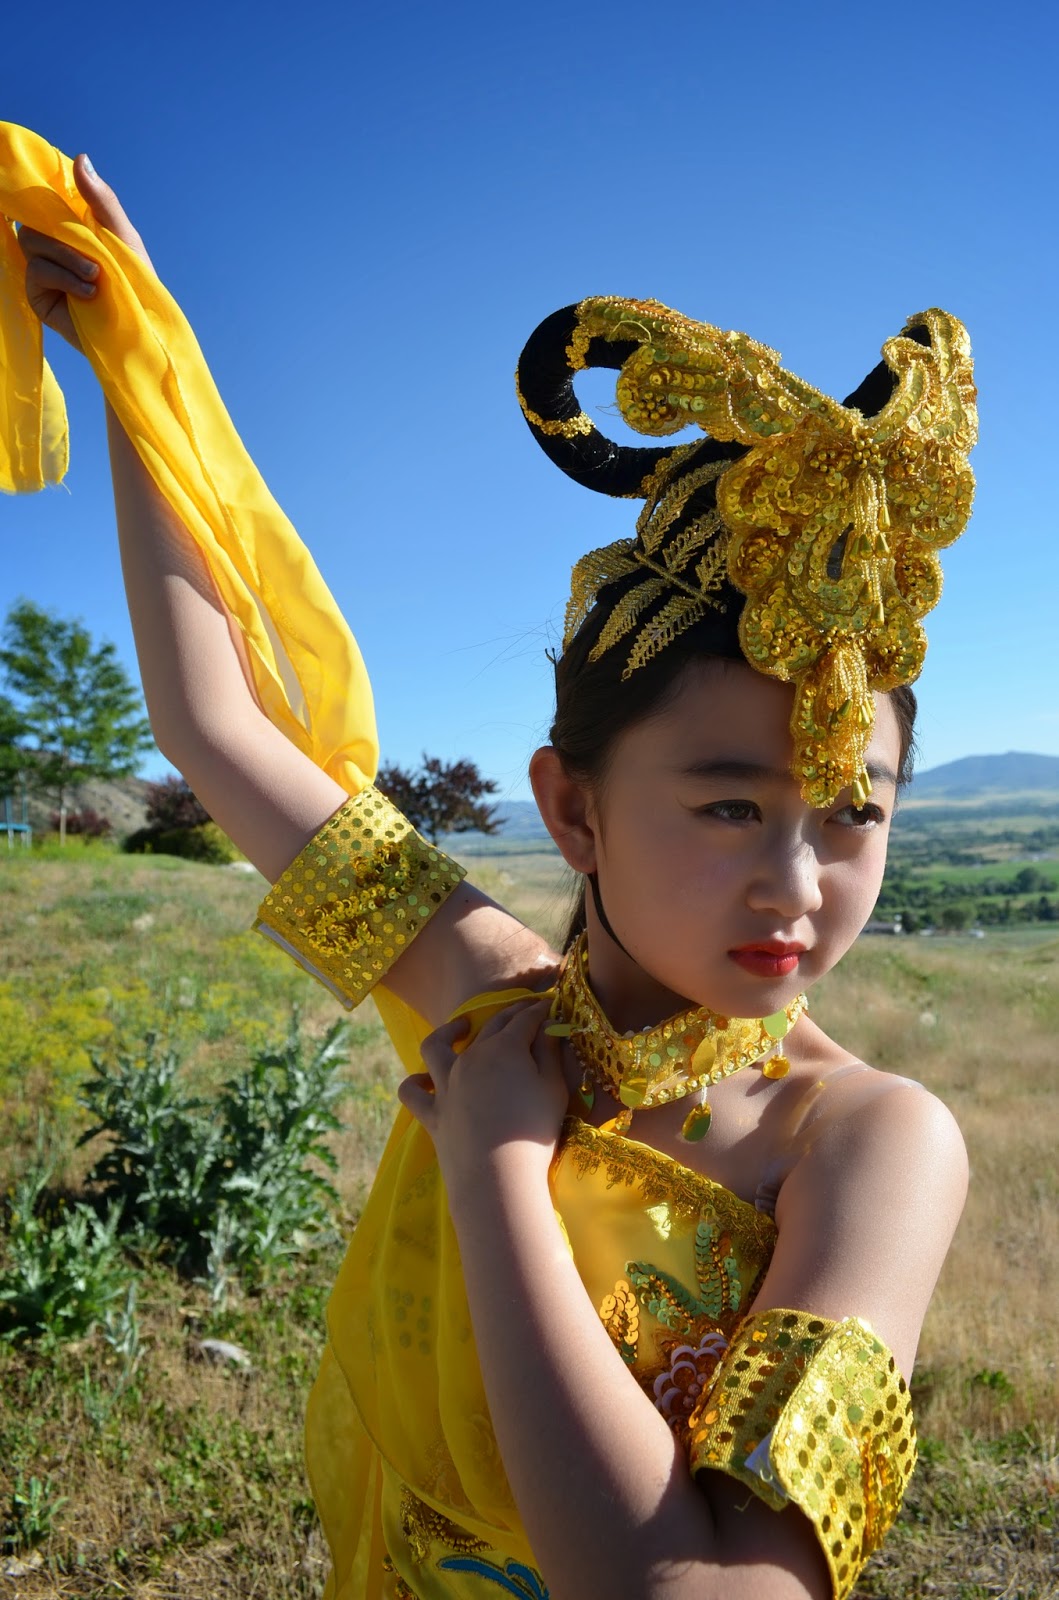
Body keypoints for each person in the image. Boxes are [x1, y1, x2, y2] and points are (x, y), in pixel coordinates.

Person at [1, 126, 974, 1600]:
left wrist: (499, 1170)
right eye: (729, 808)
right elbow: (216, 724)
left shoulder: (865, 1146)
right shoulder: (488, 998)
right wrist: (138, 360)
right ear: (571, 812)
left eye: (853, 811)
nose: (799, 884)